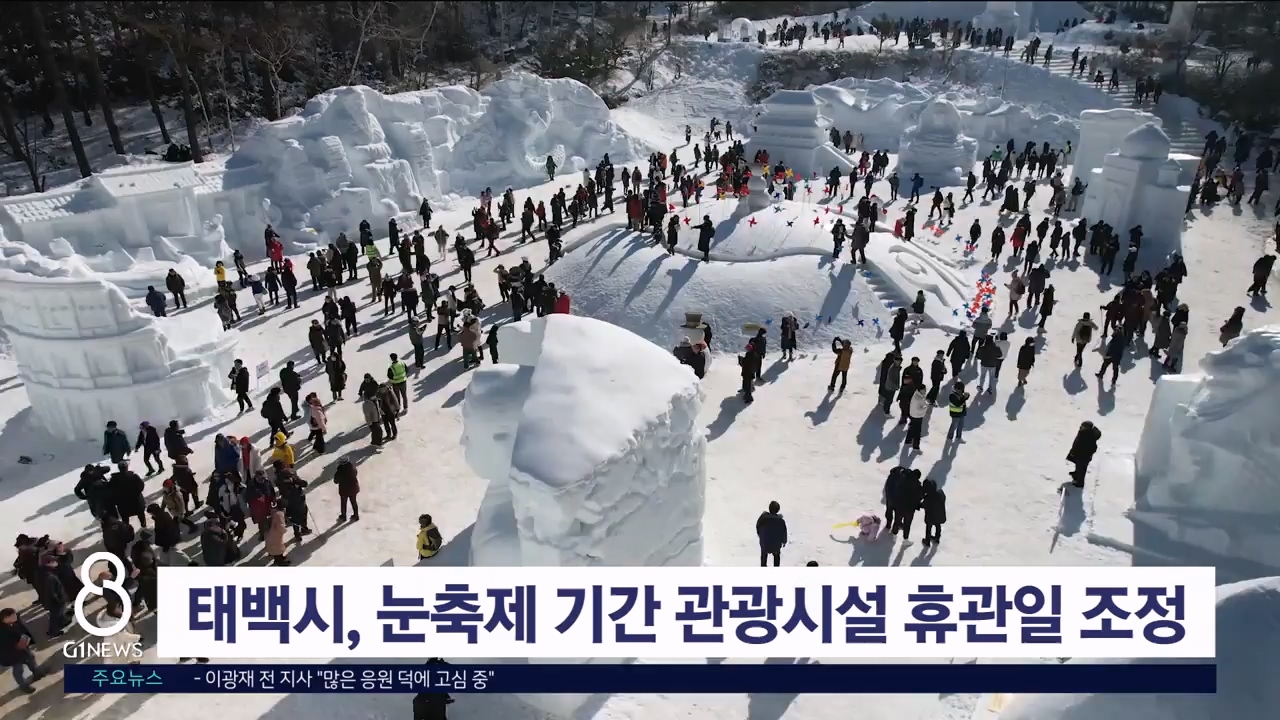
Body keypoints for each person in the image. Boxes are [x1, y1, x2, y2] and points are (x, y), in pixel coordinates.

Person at [0, 608, 46, 693]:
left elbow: (24, 630)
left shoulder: (16, 622)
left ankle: (37, 673)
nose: (15, 617)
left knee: (31, 660)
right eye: (13, 616)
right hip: (12, 655)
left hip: (23, 649)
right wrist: (17, 646)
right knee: (18, 671)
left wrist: (28, 641)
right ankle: (24, 686)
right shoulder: (2, 631)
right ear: (6, 618)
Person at [1066, 421, 1102, 488]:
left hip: (1083, 456)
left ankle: (1080, 483)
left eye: (1083, 426)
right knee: (1078, 466)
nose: (1081, 427)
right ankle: (1076, 474)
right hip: (1079, 453)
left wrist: (1084, 453)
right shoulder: (1083, 432)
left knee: (1081, 469)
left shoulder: (1089, 436)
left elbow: (1093, 448)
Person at [755, 501, 787, 567]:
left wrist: (760, 535)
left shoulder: (763, 518)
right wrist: (784, 541)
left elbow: (758, 526)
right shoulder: (781, 521)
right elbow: (784, 532)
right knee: (777, 556)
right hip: (776, 545)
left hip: (765, 542)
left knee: (764, 555)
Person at [920, 478, 946, 547]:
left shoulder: (928, 498)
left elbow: (923, 505)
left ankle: (927, 541)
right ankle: (937, 538)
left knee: (928, 528)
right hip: (940, 514)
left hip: (930, 517)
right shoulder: (940, 493)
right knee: (938, 526)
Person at [334, 456, 360, 522]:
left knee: (343, 504)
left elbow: (336, 481)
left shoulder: (340, 471)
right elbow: (356, 473)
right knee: (354, 502)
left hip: (344, 490)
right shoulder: (353, 467)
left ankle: (343, 516)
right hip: (354, 488)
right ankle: (356, 515)